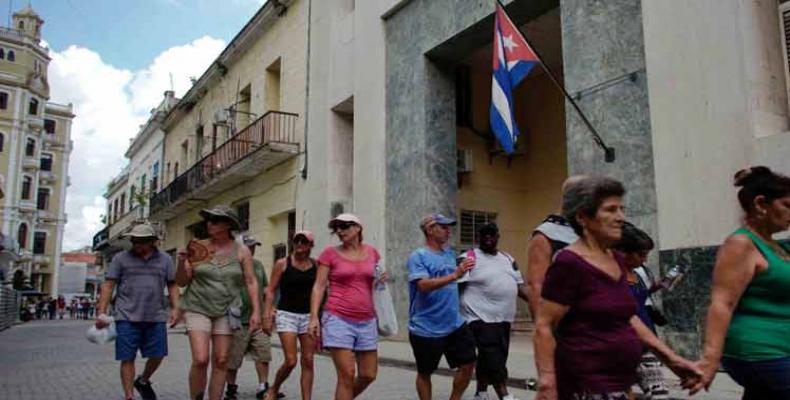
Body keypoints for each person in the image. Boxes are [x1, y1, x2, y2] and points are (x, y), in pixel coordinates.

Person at [533, 176, 700, 400]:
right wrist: (546, 381)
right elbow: (543, 325)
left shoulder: (616, 260)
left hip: (619, 379)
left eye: (621, 209)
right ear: (583, 217)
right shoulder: (569, 262)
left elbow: (627, 316)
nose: (620, 217)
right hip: (586, 382)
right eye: (610, 210)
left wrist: (672, 359)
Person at [693, 166, 790, 399]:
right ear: (761, 204)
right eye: (787, 205)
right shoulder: (741, 244)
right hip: (760, 350)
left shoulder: (779, 247)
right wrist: (710, 359)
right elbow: (721, 303)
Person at [176, 205, 262, 400]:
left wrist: (257, 311)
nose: (209, 224)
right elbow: (182, 281)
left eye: (215, 220)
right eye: (208, 220)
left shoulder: (242, 251)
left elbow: (250, 281)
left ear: (228, 225)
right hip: (197, 306)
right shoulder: (198, 247)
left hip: (227, 309)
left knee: (222, 360)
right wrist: (181, 262)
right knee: (200, 358)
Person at [95, 222, 180, 400]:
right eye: (134, 241)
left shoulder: (165, 259)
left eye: (140, 242)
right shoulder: (120, 259)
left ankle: (143, 380)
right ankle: (129, 396)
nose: (136, 245)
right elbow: (109, 285)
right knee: (127, 358)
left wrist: (175, 308)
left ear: (152, 242)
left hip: (155, 315)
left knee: (158, 354)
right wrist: (101, 312)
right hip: (126, 316)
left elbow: (172, 284)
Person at [308, 213, 385, 400]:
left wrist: (380, 280)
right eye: (337, 228)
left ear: (358, 228)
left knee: (368, 375)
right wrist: (313, 317)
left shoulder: (372, 252)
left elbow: (371, 283)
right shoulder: (330, 254)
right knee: (347, 375)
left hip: (367, 319)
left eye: (344, 226)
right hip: (338, 317)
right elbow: (318, 286)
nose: (339, 231)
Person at [407, 213, 477, 400]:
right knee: (425, 372)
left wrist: (464, 271)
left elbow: (452, 280)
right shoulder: (418, 256)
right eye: (444, 227)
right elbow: (423, 285)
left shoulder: (449, 254)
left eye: (449, 227)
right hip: (426, 327)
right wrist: (455, 275)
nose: (448, 231)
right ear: (430, 230)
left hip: (454, 323)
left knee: (469, 363)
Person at [458, 223, 528, 400]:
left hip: (503, 318)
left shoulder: (508, 259)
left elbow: (521, 287)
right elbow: (456, 287)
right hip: (478, 316)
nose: (488, 237)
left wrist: (539, 304)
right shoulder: (468, 257)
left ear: (498, 236)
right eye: (484, 234)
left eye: (491, 234)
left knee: (495, 356)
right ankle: (503, 394)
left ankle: (481, 392)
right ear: (477, 238)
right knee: (492, 355)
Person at [614, 222, 669, 400]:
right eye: (641, 255)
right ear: (624, 253)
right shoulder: (611, 277)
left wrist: (656, 286)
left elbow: (640, 297)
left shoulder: (637, 274)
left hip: (645, 343)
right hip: (620, 346)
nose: (644, 260)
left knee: (659, 393)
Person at [264, 230, 317, 400]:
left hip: (308, 316)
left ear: (310, 245)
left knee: (308, 360)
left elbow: (323, 290)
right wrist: (267, 312)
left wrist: (319, 317)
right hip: (287, 315)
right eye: (296, 240)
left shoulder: (316, 265)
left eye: (304, 241)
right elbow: (270, 290)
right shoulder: (283, 263)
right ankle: (274, 388)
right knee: (291, 360)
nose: (299, 244)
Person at [526, 176, 587, 319]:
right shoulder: (546, 234)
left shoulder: (588, 231)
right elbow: (536, 286)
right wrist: (543, 328)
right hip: (565, 322)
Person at [224, 235, 275, 400]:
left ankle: (263, 387)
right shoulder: (231, 266)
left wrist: (269, 310)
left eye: (254, 246)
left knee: (263, 353)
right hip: (237, 319)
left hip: (258, 319)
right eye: (249, 246)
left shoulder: (258, 265)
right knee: (233, 357)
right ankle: (231, 389)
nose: (252, 249)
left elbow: (267, 289)